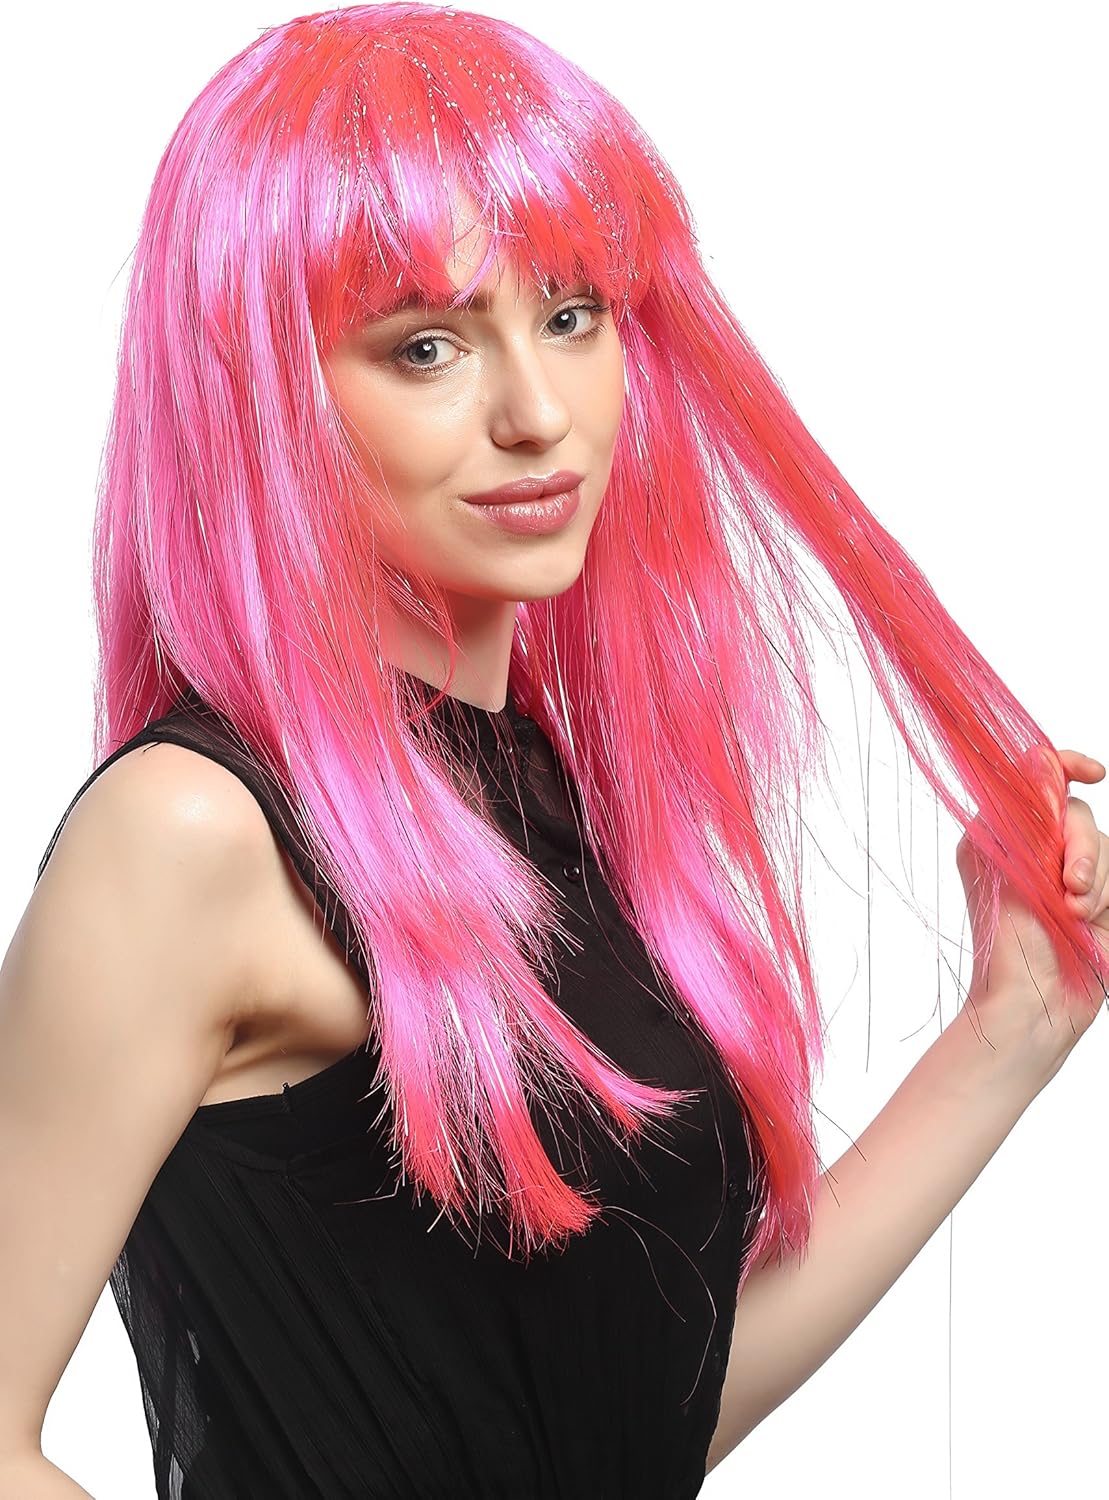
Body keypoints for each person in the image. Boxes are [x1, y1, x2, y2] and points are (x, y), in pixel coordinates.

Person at [1, 4, 1105, 1495]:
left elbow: (626, 1425)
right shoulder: (193, 833)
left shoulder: (523, 786)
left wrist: (1013, 1026)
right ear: (262, 393)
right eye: (427, 345)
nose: (537, 413)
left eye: (573, 314)